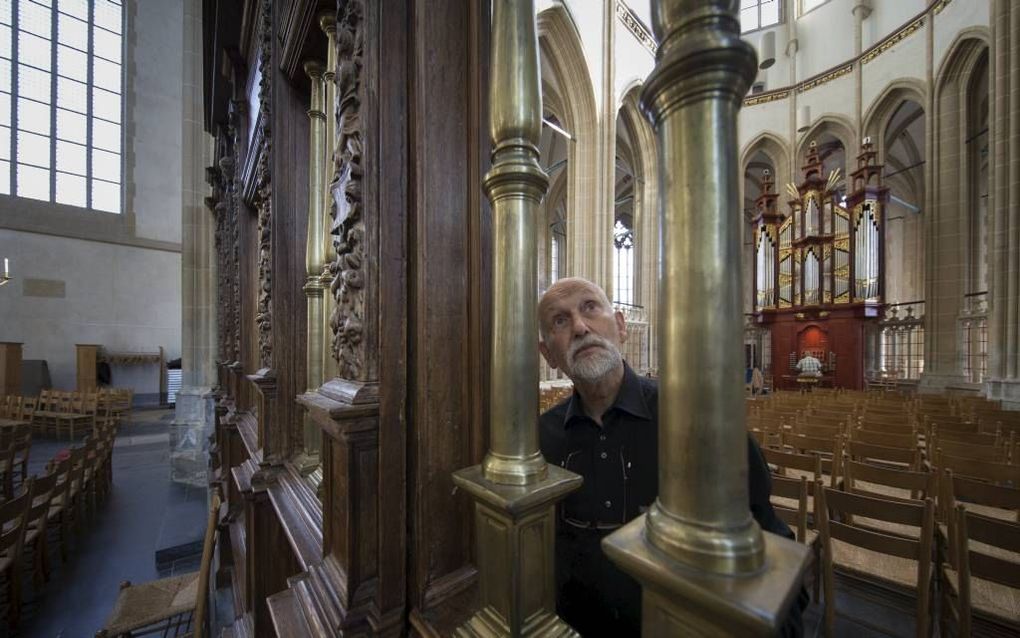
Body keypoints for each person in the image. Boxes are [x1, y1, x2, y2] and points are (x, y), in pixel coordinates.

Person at [537, 277, 805, 637]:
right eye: (560, 320)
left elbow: (771, 553)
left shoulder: (698, 420)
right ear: (549, 355)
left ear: (620, 326)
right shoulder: (541, 437)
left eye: (589, 308)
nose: (580, 327)